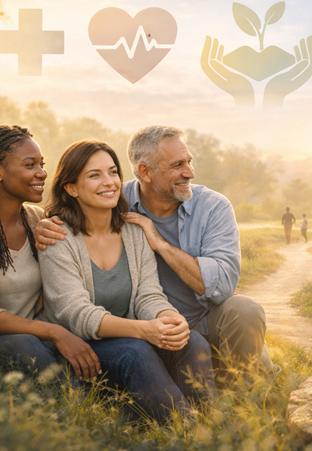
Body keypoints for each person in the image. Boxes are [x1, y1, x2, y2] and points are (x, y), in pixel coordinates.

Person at [35, 126, 274, 381]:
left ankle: (244, 396)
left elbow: (223, 286)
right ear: (145, 172)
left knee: (244, 309)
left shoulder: (213, 207)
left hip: (202, 318)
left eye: (189, 162)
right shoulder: (114, 198)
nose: (189, 173)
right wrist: (43, 223)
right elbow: (73, 209)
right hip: (148, 325)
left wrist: (160, 243)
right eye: (177, 165)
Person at [39, 139, 216, 422]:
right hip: (78, 349)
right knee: (134, 350)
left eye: (113, 172)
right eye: (94, 175)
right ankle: (189, 432)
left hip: (130, 336)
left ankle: (213, 426)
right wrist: (144, 330)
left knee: (191, 342)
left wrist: (169, 318)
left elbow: (148, 295)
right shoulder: (58, 237)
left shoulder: (132, 231)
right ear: (71, 188)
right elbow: (75, 314)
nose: (109, 182)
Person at [0, 125, 99, 378]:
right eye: (30, 165)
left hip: (37, 339)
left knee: (125, 350)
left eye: (41, 164)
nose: (42, 173)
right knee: (26, 346)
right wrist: (56, 333)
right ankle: (74, 412)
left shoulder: (38, 220)